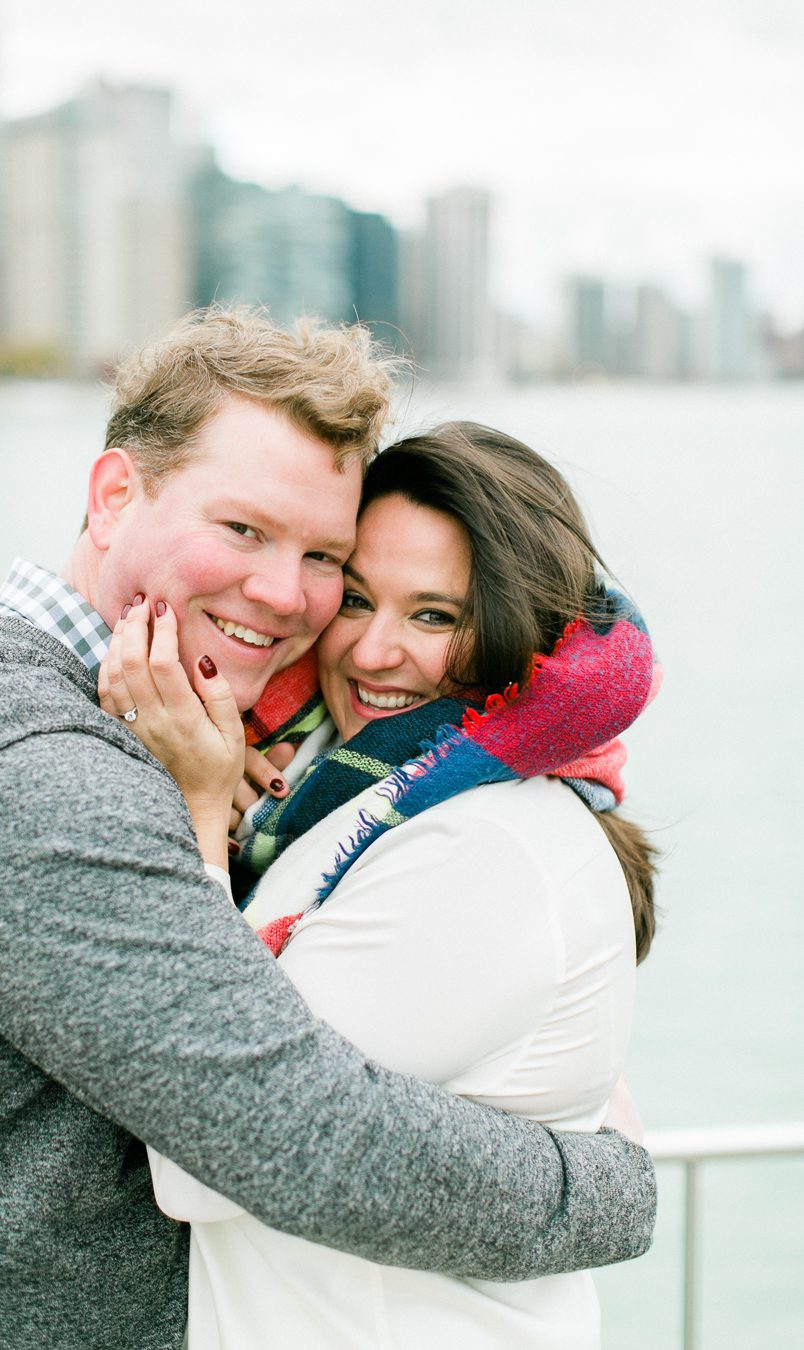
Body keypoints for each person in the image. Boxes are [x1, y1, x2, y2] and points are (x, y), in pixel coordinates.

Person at [0, 309, 655, 1350]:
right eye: (243, 530)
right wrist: (604, 1185)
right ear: (114, 495)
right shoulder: (46, 780)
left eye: (320, 556)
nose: (284, 596)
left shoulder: (159, 734)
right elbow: (297, 1135)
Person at [101, 421, 660, 1349]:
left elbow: (206, 1158)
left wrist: (198, 814)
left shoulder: (480, 847)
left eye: (434, 616)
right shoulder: (356, 790)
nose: (370, 652)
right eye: (355, 599)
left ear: (517, 634)